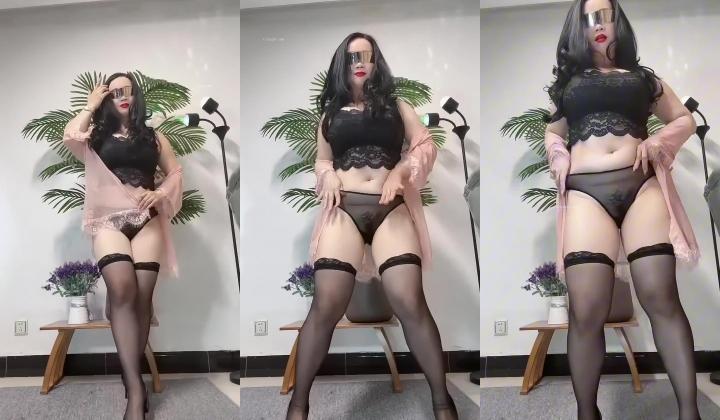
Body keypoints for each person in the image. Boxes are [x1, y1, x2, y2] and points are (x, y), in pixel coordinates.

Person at [284, 32, 457, 420]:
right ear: (341, 66)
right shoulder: (329, 115)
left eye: (366, 55)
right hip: (343, 208)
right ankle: (297, 407)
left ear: (376, 62)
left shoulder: (398, 106)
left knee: (409, 300)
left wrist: (401, 170)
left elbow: (425, 146)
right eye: (352, 57)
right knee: (326, 304)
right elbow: (323, 161)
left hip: (389, 208)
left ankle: (443, 404)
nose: (360, 63)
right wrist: (327, 175)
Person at [544, 1, 701, 419]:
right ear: (578, 28)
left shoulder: (644, 78)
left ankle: (690, 412)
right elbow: (553, 131)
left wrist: (659, 140)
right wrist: (557, 154)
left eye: (605, 15)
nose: (598, 25)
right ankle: (587, 413)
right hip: (585, 193)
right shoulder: (569, 82)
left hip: (641, 186)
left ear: (618, 22)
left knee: (660, 296)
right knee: (586, 310)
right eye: (589, 18)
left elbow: (684, 120)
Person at [63, 72, 183, 420]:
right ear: (106, 98)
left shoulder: (154, 136)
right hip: (108, 221)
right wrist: (90, 105)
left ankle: (132, 375)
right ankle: (135, 388)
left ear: (136, 95)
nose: (123, 96)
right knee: (123, 288)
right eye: (115, 92)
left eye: (127, 90)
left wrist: (160, 193)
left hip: (147, 221)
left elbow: (175, 173)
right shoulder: (95, 136)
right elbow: (70, 137)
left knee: (142, 298)